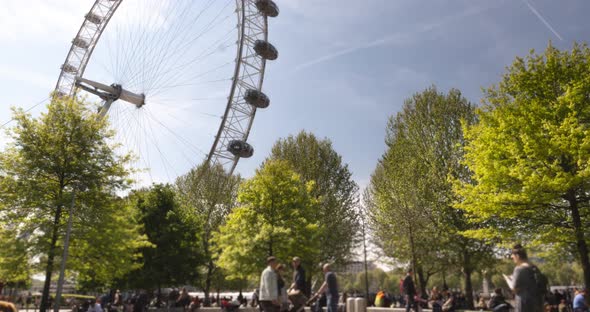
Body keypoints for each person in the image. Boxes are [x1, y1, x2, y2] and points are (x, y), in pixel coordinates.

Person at [502, 244, 544, 312]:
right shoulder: (534, 268)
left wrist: (507, 279)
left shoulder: (519, 269)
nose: (512, 258)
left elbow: (514, 288)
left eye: (513, 257)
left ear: (517, 256)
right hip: (537, 302)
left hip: (524, 303)